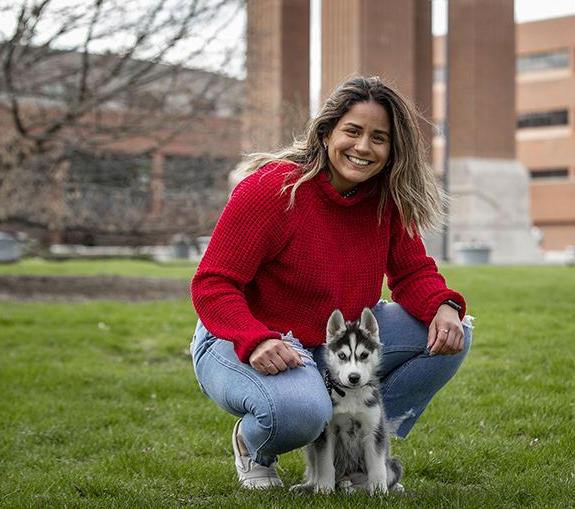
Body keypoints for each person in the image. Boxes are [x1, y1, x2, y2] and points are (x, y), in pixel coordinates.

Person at [190, 76, 472, 489]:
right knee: (302, 411)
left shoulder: (385, 199)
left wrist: (444, 306)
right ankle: (255, 446)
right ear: (326, 134)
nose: (363, 147)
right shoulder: (273, 190)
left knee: (453, 335)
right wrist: (255, 339)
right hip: (245, 337)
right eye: (353, 131)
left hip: (335, 342)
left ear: (393, 149)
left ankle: (354, 453)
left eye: (379, 138)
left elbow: (412, 274)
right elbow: (213, 282)